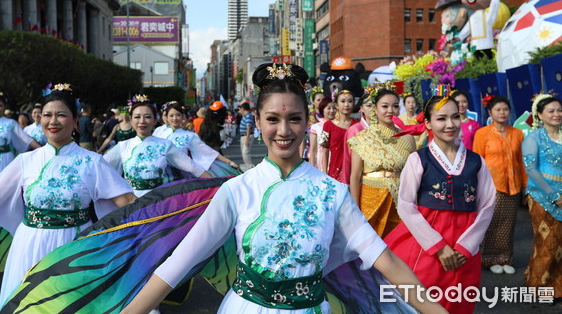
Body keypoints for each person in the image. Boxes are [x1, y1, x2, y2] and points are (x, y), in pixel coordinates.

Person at [119, 62, 447, 314]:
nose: (283, 130)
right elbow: (178, 263)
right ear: (258, 121)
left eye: (293, 119)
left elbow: (385, 259)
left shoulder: (333, 193)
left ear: (307, 122)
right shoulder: (237, 190)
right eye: (273, 119)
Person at [0, 83, 137, 309]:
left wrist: (166, 221)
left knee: (69, 304)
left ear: (75, 121)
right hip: (29, 245)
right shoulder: (25, 161)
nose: (53, 121)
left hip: (73, 247)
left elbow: (128, 202)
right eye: (47, 115)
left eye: (61, 115)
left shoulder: (92, 162)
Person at [385, 94, 496, 314]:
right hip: (427, 244)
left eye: (455, 117)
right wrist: (437, 246)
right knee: (423, 301)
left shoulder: (476, 161)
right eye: (441, 118)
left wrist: (468, 246)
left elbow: (487, 205)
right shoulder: (419, 159)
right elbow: (405, 205)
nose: (450, 124)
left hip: (465, 245)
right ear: (427, 123)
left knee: (460, 299)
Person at [104, 95, 214, 198]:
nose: (142, 121)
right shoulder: (123, 146)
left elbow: (192, 167)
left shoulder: (165, 145)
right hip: (131, 204)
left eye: (147, 117)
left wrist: (217, 186)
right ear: (131, 120)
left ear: (155, 120)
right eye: (137, 117)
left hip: (158, 204)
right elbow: (101, 167)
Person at [348, 85, 415, 237]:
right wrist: (355, 210)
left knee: (398, 246)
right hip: (370, 199)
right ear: (375, 109)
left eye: (395, 106)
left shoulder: (408, 139)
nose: (390, 110)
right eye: (385, 106)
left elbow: (413, 176)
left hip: (400, 200)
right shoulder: (362, 138)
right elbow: (355, 176)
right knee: (371, 249)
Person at [473, 95, 527, 274]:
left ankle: (506, 258)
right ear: (490, 112)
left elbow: (521, 161)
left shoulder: (517, 133)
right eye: (498, 110)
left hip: (513, 186)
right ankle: (490, 258)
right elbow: (477, 160)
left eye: (505, 109)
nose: (502, 113)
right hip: (491, 186)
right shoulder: (482, 133)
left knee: (509, 223)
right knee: (492, 222)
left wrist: (525, 186)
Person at [521, 94, 562, 299]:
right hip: (541, 196)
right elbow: (531, 169)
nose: (557, 114)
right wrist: (553, 194)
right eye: (551, 111)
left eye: (559, 110)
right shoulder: (533, 137)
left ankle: (558, 287)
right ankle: (538, 288)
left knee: (561, 245)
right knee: (546, 243)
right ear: (539, 115)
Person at [155, 102, 240, 176]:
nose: (175, 118)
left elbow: (208, 151)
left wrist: (229, 162)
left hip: (180, 175)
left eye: (178, 115)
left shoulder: (189, 136)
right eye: (171, 115)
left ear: (183, 117)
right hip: (159, 174)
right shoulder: (159, 132)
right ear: (166, 117)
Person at [321, 90, 358, 180]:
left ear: (353, 104)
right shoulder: (327, 125)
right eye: (342, 101)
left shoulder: (358, 125)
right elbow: (324, 151)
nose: (346, 105)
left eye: (350, 101)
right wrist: (324, 173)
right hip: (334, 173)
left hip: (353, 173)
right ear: (336, 105)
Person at [339, 93, 373, 184]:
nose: (373, 109)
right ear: (361, 108)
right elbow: (347, 161)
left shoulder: (385, 129)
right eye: (369, 106)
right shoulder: (355, 130)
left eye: (375, 105)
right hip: (360, 181)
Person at [309, 97, 335, 170]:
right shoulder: (316, 127)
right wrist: (312, 169)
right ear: (322, 109)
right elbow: (313, 150)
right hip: (321, 163)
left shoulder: (340, 126)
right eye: (329, 108)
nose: (332, 111)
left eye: (334, 108)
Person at [238, 102, 255, 170]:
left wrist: (247, 139)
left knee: (245, 153)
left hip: (247, 136)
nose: (239, 111)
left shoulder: (248, 116)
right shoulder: (246, 116)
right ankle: (248, 167)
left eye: (240, 109)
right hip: (244, 136)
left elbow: (249, 127)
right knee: (244, 153)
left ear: (243, 109)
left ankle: (250, 168)